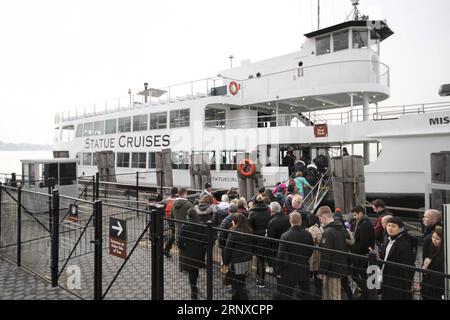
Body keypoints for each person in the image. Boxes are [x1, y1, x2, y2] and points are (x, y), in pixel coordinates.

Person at [274, 211, 314, 300]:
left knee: (287, 293)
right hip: (303, 266)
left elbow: (281, 255)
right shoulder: (308, 234)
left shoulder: (285, 235)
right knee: (305, 291)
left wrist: (278, 270)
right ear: (300, 221)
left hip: (289, 268)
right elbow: (310, 250)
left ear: (290, 221)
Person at [379, 217, 415, 300]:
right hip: (386, 276)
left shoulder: (404, 243)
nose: (390, 228)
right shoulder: (387, 239)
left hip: (397, 280)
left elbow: (407, 265)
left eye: (393, 226)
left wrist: (406, 283)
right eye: (388, 225)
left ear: (400, 229)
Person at [317, 206, 348, 300]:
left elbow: (326, 254)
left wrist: (321, 271)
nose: (320, 221)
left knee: (332, 295)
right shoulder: (342, 228)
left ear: (324, 217)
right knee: (335, 294)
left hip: (331, 270)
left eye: (320, 219)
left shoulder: (328, 232)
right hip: (340, 266)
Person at [178, 208, 207, 300]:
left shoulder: (184, 226)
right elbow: (205, 238)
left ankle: (193, 291)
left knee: (191, 271)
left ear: (188, 216)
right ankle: (195, 287)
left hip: (188, 251)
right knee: (195, 268)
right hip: (199, 251)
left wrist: (182, 248)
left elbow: (180, 241)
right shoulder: (201, 225)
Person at [223, 213, 254, 300]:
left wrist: (225, 263)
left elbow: (227, 249)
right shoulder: (249, 231)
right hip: (247, 260)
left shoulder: (233, 232)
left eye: (233, 221)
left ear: (236, 222)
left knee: (237, 284)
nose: (232, 222)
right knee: (241, 281)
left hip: (236, 262)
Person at [351, 205, 375, 300]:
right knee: (362, 274)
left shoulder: (365, 224)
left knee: (358, 274)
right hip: (361, 254)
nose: (354, 217)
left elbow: (364, 242)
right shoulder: (361, 223)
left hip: (361, 254)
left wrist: (355, 252)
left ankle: (366, 293)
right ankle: (366, 293)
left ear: (361, 213)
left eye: (355, 215)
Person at [248, 194, 272, 288]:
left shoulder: (252, 213)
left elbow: (250, 227)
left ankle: (261, 280)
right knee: (263, 258)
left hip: (257, 238)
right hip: (266, 236)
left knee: (260, 259)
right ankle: (262, 277)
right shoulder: (268, 211)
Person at [420, 226, 445, 300]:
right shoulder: (431, 247)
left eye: (437, 239)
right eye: (433, 237)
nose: (434, 240)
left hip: (437, 284)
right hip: (428, 281)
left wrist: (428, 264)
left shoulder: (444, 252)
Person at [266, 202, 291, 274]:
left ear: (271, 210)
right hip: (288, 246)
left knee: (279, 268)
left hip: (276, 248)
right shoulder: (288, 217)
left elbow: (270, 238)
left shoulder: (272, 222)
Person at [306, 213, 323, 299]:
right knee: (316, 273)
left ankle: (311, 293)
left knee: (312, 271)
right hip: (319, 252)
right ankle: (318, 292)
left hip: (313, 253)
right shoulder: (320, 227)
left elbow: (311, 240)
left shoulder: (312, 229)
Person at [163, 187, 178, 258]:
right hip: (174, 219)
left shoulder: (167, 199)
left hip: (169, 219)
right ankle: (166, 250)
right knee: (174, 235)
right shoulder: (176, 200)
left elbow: (165, 207)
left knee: (174, 234)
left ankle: (166, 250)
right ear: (176, 192)